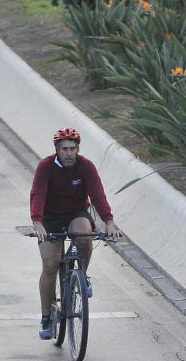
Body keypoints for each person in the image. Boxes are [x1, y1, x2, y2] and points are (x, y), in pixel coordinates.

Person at [30, 128, 122, 339]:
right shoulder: (45, 166)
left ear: (78, 149)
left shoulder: (86, 166)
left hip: (75, 213)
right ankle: (46, 317)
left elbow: (98, 194)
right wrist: (37, 222)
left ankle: (81, 273)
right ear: (57, 150)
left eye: (73, 149)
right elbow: (38, 194)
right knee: (50, 264)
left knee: (84, 235)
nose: (69, 153)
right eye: (64, 149)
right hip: (49, 217)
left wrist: (109, 221)